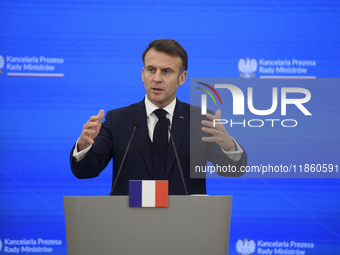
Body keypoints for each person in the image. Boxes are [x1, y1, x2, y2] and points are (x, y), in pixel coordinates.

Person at [70, 39, 247, 195]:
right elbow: (86, 171)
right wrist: (84, 146)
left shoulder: (200, 120)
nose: (156, 78)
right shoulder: (118, 120)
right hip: (129, 225)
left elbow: (232, 171)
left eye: (166, 71)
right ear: (142, 74)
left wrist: (229, 147)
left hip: (185, 225)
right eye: (151, 69)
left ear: (182, 78)